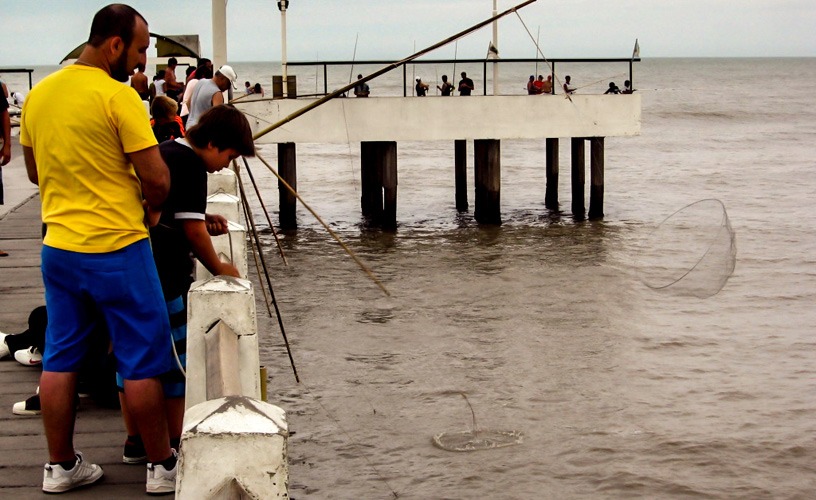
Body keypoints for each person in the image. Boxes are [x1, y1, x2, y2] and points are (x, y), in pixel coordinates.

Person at [19, 4, 177, 495]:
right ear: (114, 45)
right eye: (140, 50)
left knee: (61, 358)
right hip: (118, 249)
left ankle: (60, 467)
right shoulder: (118, 97)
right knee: (143, 358)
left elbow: (32, 174)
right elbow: (158, 179)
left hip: (59, 247)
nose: (141, 63)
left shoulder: (39, 95)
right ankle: (161, 466)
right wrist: (150, 208)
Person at [119, 105, 255, 460]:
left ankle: (133, 441)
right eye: (229, 155)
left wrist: (203, 214)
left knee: (128, 362)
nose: (226, 165)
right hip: (163, 278)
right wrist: (222, 267)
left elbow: (175, 213)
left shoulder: (166, 150)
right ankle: (175, 443)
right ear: (211, 143)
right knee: (174, 365)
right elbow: (193, 233)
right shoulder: (193, 165)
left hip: (131, 271)